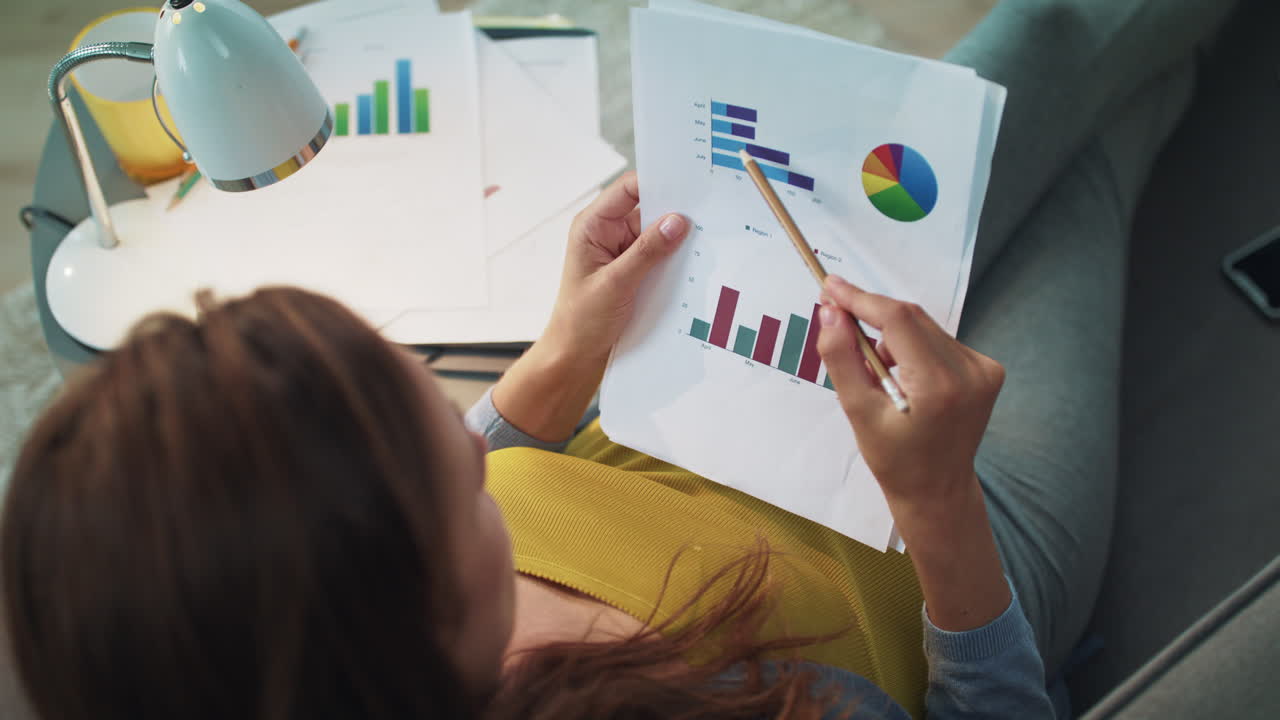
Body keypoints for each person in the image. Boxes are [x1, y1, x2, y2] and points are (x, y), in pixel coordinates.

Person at [1, 1, 1237, 718]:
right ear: (415, 602)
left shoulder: (339, 635)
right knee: (1094, 153)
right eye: (430, 445)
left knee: (1055, 48)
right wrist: (939, 507)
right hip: (952, 556)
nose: (466, 422)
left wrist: (558, 356)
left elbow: (484, 450)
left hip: (739, 415)